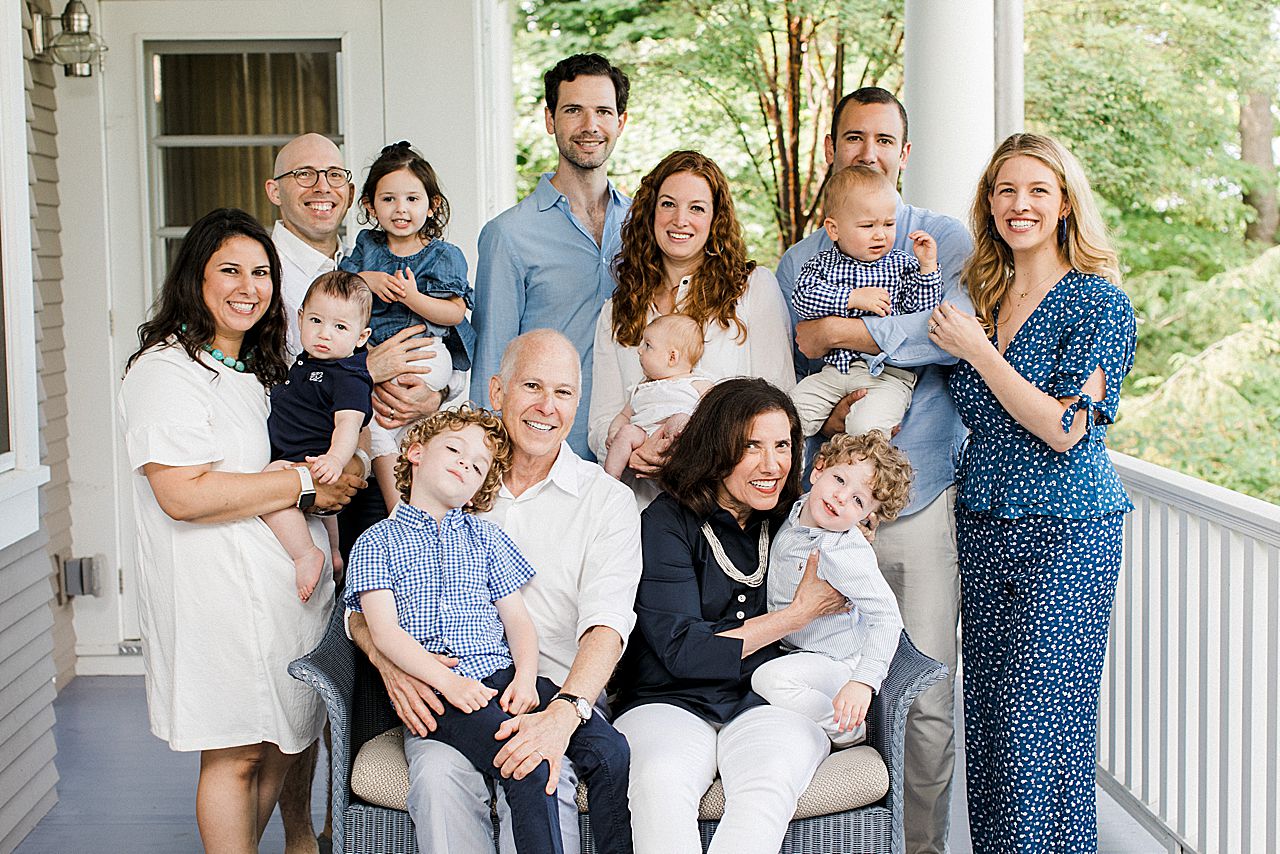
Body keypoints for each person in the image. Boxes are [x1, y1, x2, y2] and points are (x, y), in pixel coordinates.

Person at [118, 208, 362, 853]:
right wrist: (305, 485)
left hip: (282, 590)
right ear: (194, 277)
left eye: (261, 272)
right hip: (213, 594)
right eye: (229, 269)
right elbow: (181, 493)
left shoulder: (258, 372)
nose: (247, 286)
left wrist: (343, 465)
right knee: (233, 755)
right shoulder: (165, 372)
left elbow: (311, 450)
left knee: (278, 744)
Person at [349, 330, 642, 854]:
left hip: (553, 694)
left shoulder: (606, 501)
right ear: (498, 390)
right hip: (452, 692)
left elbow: (608, 626)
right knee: (439, 782)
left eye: (564, 392)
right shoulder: (450, 488)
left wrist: (561, 712)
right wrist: (392, 661)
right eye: (532, 386)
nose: (547, 407)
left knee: (546, 767)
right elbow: (364, 607)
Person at [777, 86, 972, 854]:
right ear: (834, 148)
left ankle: (920, 847)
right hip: (827, 510)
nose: (869, 151)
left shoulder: (942, 240)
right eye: (854, 138)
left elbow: (950, 336)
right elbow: (800, 362)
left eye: (884, 139)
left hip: (919, 501)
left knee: (922, 693)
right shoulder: (803, 256)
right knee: (820, 673)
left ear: (905, 151)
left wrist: (843, 328)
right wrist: (854, 342)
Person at [928, 133, 1136, 852]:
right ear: (989, 204)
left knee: (1036, 730)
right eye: (1006, 191)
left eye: (1037, 191)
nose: (1020, 205)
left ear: (1065, 204)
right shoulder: (980, 299)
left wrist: (979, 353)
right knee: (988, 728)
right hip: (983, 528)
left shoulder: (1099, 304)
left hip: (1068, 533)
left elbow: (1064, 428)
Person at [612, 378, 850, 854]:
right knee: (659, 784)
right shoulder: (664, 523)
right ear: (716, 450)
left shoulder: (801, 521)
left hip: (768, 700)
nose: (772, 465)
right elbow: (682, 650)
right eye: (751, 447)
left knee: (767, 787)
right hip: (667, 700)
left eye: (782, 445)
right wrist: (794, 616)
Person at [588, 150, 795, 492]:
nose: (680, 219)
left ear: (715, 220)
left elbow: (779, 405)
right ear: (650, 211)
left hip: (725, 501)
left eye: (697, 208)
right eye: (668, 204)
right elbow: (600, 421)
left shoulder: (752, 288)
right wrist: (635, 451)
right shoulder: (617, 309)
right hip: (639, 506)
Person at [471, 54, 632, 460]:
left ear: (621, 122)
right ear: (550, 120)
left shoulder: (644, 227)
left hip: (633, 453)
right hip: (545, 454)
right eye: (573, 110)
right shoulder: (508, 235)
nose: (590, 126)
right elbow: (491, 363)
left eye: (603, 111)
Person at [751, 431, 910, 747]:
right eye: (839, 480)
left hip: (836, 660)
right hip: (798, 649)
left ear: (867, 517)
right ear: (818, 469)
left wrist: (862, 682)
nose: (841, 497)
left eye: (858, 500)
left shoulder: (843, 550)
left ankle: (846, 729)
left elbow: (889, 618)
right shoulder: (796, 510)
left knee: (769, 679)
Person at [340, 140, 474, 511]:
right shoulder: (367, 247)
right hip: (376, 356)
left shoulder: (443, 255)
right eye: (389, 200)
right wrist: (367, 280)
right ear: (369, 205)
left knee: (429, 431)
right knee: (378, 430)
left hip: (426, 351)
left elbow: (455, 313)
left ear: (432, 206)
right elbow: (341, 291)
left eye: (413, 199)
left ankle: (436, 501)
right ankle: (400, 510)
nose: (401, 209)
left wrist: (412, 298)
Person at [789, 165, 942, 438]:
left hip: (886, 374)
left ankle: (864, 476)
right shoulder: (822, 265)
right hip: (834, 371)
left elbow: (921, 313)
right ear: (834, 229)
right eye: (867, 226)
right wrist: (851, 298)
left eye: (888, 224)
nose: (880, 234)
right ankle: (794, 474)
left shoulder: (902, 266)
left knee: (865, 428)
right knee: (790, 415)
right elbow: (803, 298)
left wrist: (928, 268)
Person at [264, 271, 373, 597]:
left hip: (314, 462)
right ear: (300, 319)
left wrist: (336, 460)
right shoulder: (306, 362)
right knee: (325, 519)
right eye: (316, 320)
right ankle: (336, 555)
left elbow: (349, 425)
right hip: (305, 457)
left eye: (340, 327)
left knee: (269, 486)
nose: (325, 334)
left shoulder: (349, 376)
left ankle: (305, 554)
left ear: (361, 337)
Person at [602, 313, 712, 479]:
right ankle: (610, 480)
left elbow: (716, 411)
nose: (639, 350)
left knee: (681, 420)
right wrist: (614, 432)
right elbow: (624, 415)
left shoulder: (696, 383)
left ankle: (678, 461)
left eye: (647, 345)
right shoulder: (641, 388)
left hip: (676, 442)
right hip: (643, 438)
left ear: (672, 357)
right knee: (626, 432)